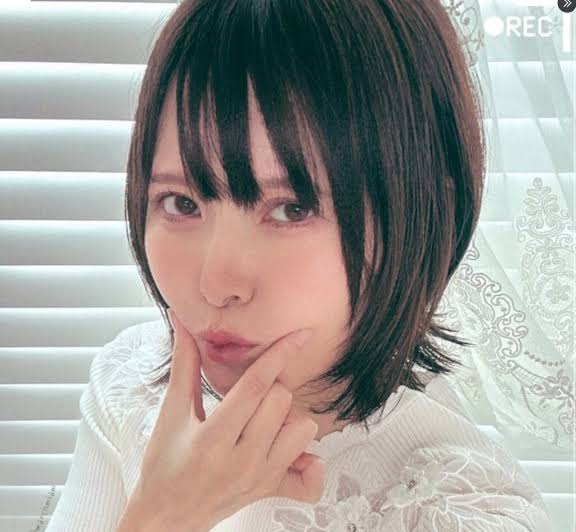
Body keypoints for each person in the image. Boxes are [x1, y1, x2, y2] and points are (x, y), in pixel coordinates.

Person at [45, 0, 554, 530]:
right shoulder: (130, 385)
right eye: (182, 203)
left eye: (291, 209)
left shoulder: (466, 513)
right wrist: (164, 514)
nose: (216, 285)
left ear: (420, 217)